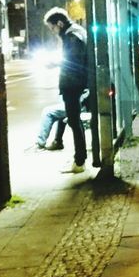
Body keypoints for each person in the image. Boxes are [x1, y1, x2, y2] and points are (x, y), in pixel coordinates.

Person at [45, 11, 89, 174]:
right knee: (74, 121)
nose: (53, 32)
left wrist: (54, 63)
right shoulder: (76, 32)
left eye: (52, 28)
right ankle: (79, 159)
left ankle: (79, 161)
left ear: (60, 24)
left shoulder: (72, 36)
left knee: (74, 122)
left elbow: (72, 61)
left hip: (73, 85)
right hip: (77, 84)